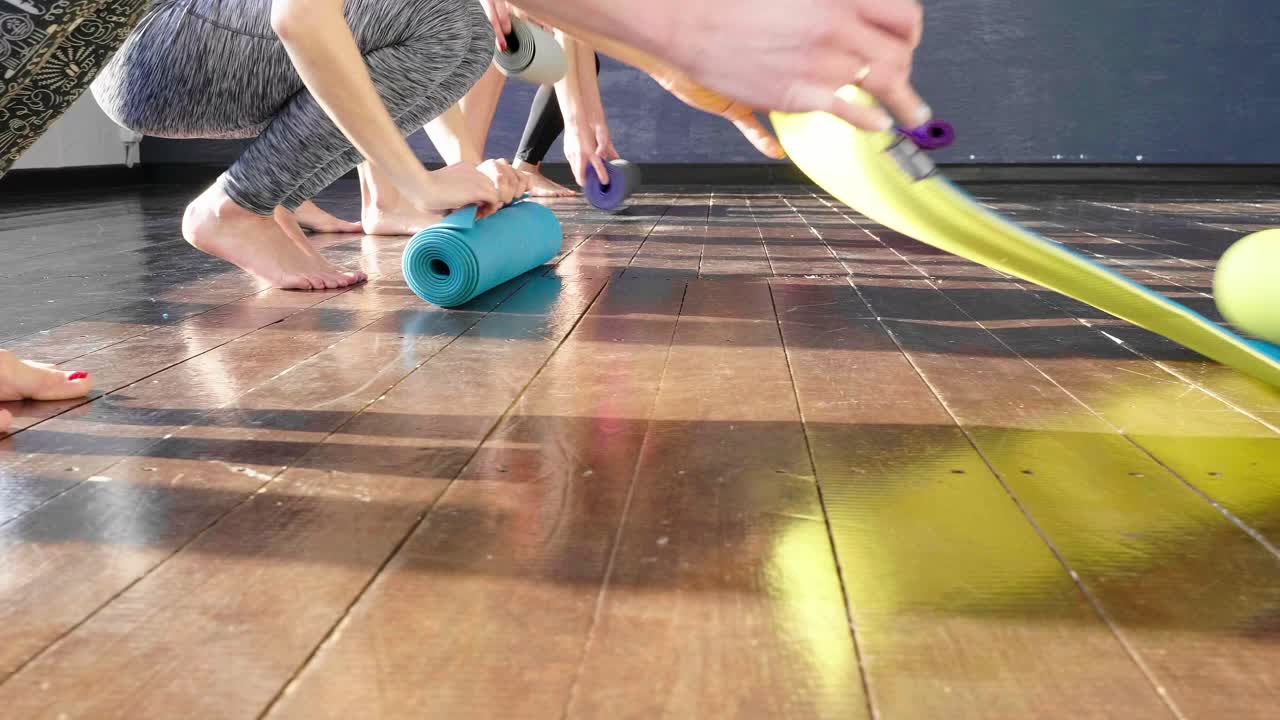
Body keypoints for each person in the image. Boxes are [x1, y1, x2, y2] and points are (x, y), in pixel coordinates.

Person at [1, 0, 930, 433]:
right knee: (446, 23)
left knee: (455, 25)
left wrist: (685, 59)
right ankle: (241, 205)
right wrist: (412, 181)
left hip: (116, 41)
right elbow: (301, 17)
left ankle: (254, 202)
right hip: (150, 43)